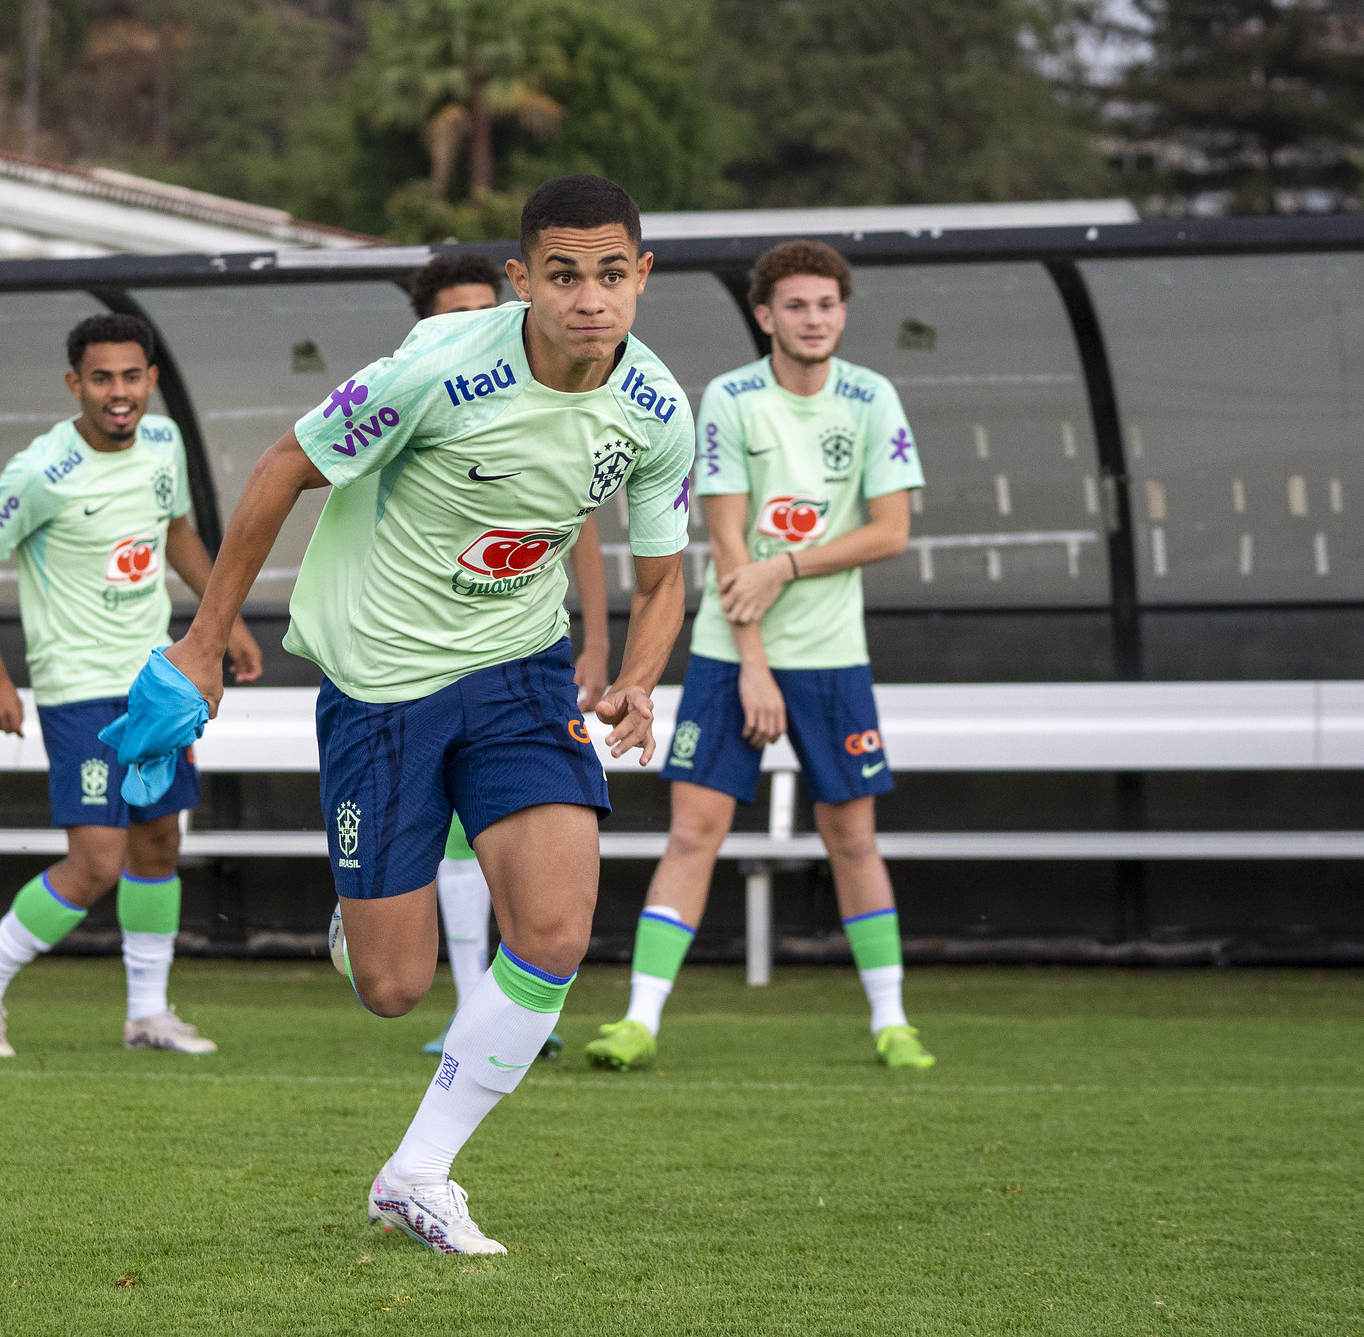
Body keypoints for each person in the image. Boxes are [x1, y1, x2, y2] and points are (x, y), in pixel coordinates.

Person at [113, 176, 693, 1254]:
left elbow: (662, 580)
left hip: (521, 667)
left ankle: (418, 1170)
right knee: (392, 986)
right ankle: (361, 914)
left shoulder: (657, 408)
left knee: (558, 929)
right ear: (521, 280)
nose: (589, 298)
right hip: (380, 684)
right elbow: (285, 466)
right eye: (563, 275)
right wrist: (202, 641)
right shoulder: (438, 363)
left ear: (641, 276)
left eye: (611, 274)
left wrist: (640, 678)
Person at [583, 239, 937, 1073]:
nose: (813, 319)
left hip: (832, 658)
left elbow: (890, 530)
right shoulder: (733, 399)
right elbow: (727, 539)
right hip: (727, 657)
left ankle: (891, 1021)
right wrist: (752, 663)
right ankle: (638, 1021)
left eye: (826, 305)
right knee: (692, 833)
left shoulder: (872, 396)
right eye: (796, 306)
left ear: (841, 313)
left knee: (852, 837)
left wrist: (788, 564)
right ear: (764, 315)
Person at [0, 313, 263, 1059]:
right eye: (100, 378)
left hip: (158, 681)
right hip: (77, 686)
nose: (118, 393)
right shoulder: (38, 472)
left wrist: (223, 619)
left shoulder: (163, 441)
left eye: (130, 376)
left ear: (150, 379)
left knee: (158, 842)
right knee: (95, 861)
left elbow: (176, 529)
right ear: (73, 384)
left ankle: (147, 1013)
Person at [405, 252, 610, 1061]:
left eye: (485, 309)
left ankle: (483, 1007)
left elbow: (580, 521)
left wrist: (597, 638)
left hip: (512, 658)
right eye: (456, 314)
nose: (476, 326)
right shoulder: (408, 395)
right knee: (394, 960)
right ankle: (382, 920)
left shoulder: (544, 397)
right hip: (409, 663)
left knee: (493, 839)